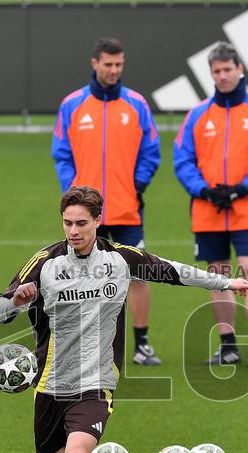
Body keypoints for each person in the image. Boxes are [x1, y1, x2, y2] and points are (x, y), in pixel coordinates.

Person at [0, 186, 248, 453]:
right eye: (67, 223)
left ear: (98, 220)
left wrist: (225, 284)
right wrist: (17, 299)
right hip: (49, 383)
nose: (74, 231)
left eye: (81, 223)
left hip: (97, 381)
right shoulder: (45, 262)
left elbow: (170, 270)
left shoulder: (119, 259)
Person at [51, 37, 163, 366]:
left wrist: (137, 183)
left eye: (119, 65)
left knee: (139, 274)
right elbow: (61, 153)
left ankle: (142, 345)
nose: (114, 70)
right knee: (82, 277)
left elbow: (151, 151)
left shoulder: (137, 104)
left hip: (127, 207)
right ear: (95, 64)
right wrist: (73, 193)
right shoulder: (72, 105)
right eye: (108, 64)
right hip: (86, 213)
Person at [173, 41, 248, 369]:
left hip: (247, 207)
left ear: (240, 69)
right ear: (211, 74)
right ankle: (228, 345)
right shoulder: (198, 115)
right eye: (216, 71)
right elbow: (183, 159)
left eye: (227, 70)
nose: (222, 76)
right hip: (207, 210)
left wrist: (241, 188)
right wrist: (203, 190)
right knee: (218, 276)